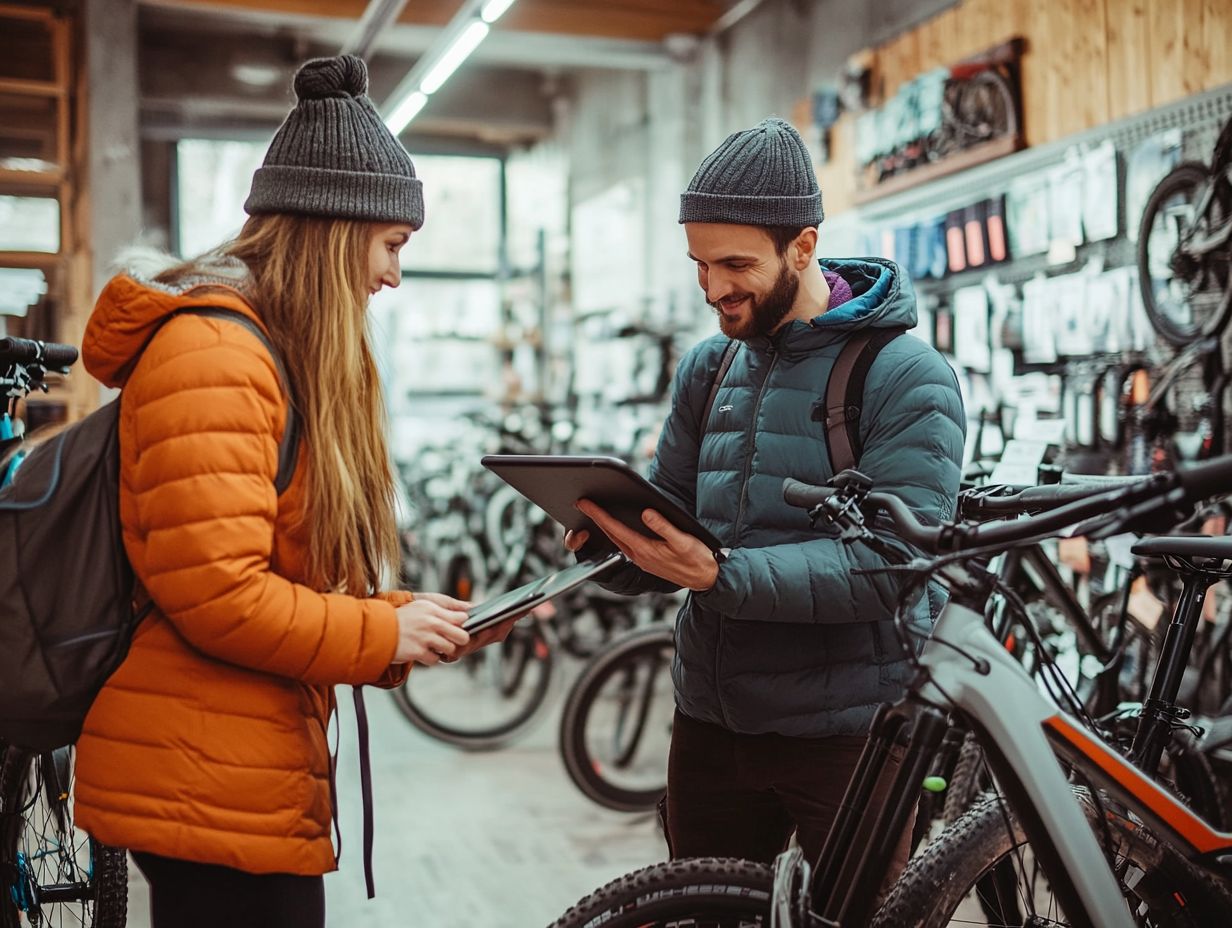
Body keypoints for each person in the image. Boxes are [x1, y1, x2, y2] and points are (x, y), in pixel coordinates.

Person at [73, 54, 513, 928]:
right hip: (200, 766)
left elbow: (267, 566)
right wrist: (377, 628)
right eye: (392, 244)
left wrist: (398, 625)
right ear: (333, 229)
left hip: (238, 758)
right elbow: (218, 596)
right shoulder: (217, 356)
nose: (393, 276)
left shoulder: (266, 353)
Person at [567, 117, 965, 878]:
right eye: (698, 263)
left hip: (850, 735)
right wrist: (613, 548)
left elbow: (892, 566)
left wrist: (723, 574)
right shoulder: (709, 369)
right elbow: (677, 533)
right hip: (711, 723)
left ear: (803, 246)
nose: (713, 287)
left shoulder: (905, 375)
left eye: (734, 264)